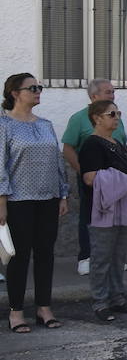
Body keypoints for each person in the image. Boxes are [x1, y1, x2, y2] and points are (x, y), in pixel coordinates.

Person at [1, 73, 69, 332]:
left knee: (45, 255)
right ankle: (16, 312)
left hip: (48, 199)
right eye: (32, 88)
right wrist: (2, 201)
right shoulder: (4, 125)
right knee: (18, 258)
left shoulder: (46, 124)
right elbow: (0, 166)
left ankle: (44, 308)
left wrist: (62, 193)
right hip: (19, 200)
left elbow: (57, 161)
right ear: (15, 93)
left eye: (39, 87)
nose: (38, 91)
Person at [78, 99, 127, 322]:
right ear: (97, 118)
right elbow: (89, 177)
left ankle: (117, 299)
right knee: (101, 258)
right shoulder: (91, 144)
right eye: (111, 114)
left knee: (118, 257)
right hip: (102, 210)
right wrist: (126, 179)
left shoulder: (116, 142)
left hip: (121, 207)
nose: (117, 118)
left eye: (118, 113)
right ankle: (100, 302)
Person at [61, 79, 124, 277]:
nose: (112, 95)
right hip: (91, 178)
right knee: (89, 216)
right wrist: (82, 170)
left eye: (113, 92)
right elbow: (68, 148)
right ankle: (86, 257)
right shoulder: (78, 118)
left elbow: (121, 143)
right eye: (108, 92)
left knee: (115, 216)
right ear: (93, 96)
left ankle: (113, 258)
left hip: (116, 179)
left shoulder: (116, 117)